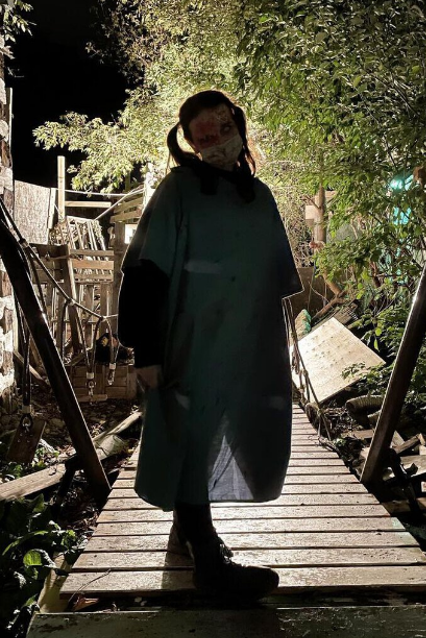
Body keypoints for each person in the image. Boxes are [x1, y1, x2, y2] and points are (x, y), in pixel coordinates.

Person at [116, 90, 303, 602]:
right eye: (205, 136)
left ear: (238, 125)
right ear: (190, 144)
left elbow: (273, 280)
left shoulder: (258, 197)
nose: (218, 141)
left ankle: (189, 529)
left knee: (232, 431)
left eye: (223, 128)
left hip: (247, 346)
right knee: (190, 437)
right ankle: (209, 558)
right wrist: (146, 354)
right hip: (189, 346)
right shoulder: (178, 191)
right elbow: (144, 274)